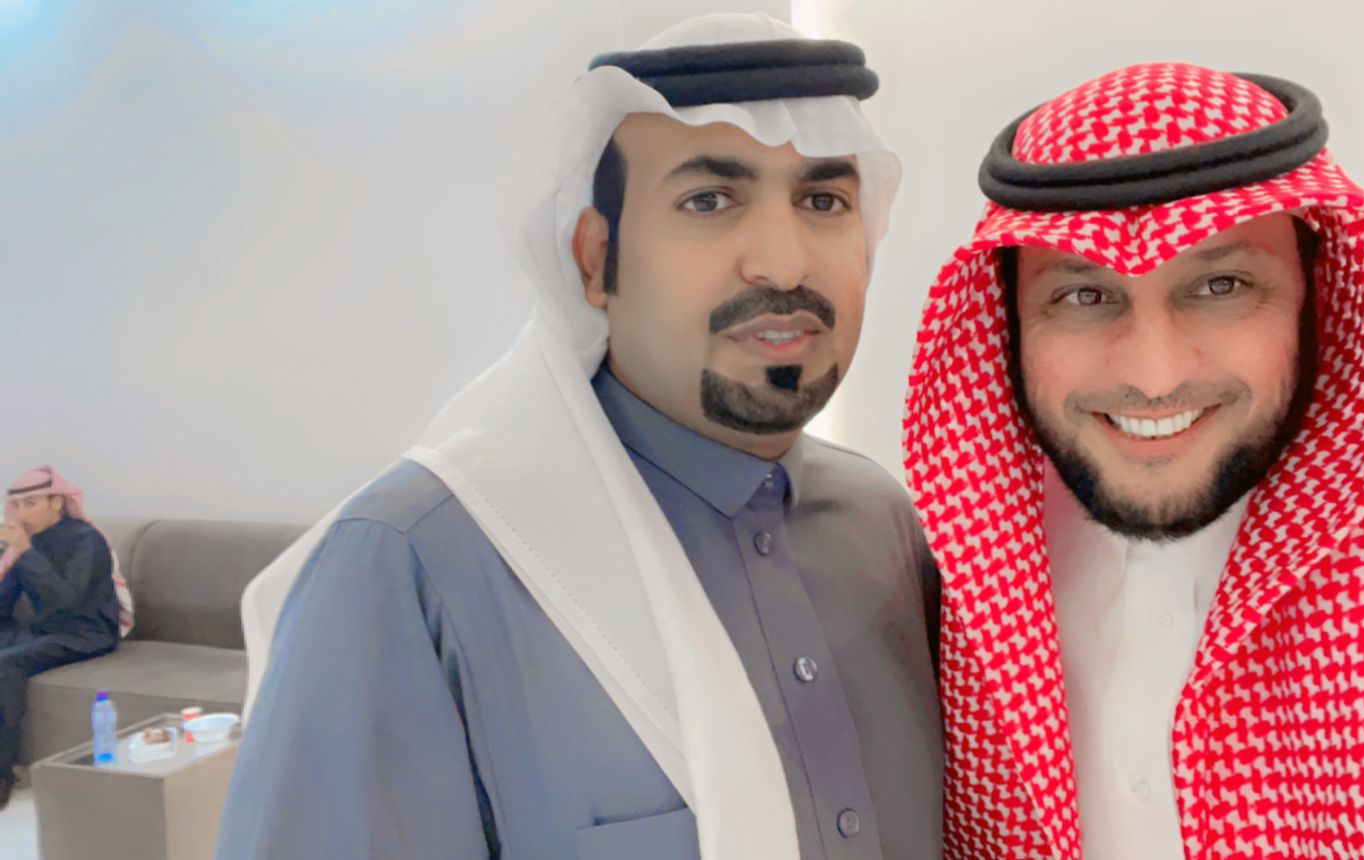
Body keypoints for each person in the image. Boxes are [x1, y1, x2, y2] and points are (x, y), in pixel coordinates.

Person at [218, 14, 941, 860]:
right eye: (709, 201)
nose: (783, 263)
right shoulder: (417, 566)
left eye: (823, 202)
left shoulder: (883, 524)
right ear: (596, 260)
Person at [904, 62, 1364, 858]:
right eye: (1084, 297)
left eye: (1221, 285)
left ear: (1315, 289)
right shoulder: (987, 548)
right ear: (1009, 322)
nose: (1154, 376)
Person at [0, 466, 122, 809]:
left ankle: (2, 776)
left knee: (6, 666)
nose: (23, 514)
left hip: (86, 632)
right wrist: (9, 556)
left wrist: (25, 552)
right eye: (18, 506)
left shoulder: (87, 540)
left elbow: (66, 601)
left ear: (56, 501)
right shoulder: (26, 542)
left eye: (31, 504)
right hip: (43, 630)